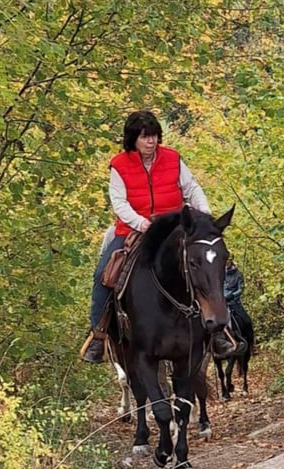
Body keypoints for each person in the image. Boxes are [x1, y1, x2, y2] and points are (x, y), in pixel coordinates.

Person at [82, 110, 245, 363]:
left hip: (176, 227)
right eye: (145, 137)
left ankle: (220, 331)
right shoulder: (119, 165)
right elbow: (119, 203)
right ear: (133, 139)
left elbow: (192, 189)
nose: (151, 142)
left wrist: (206, 219)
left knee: (208, 266)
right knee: (104, 274)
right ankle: (99, 336)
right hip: (134, 229)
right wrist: (143, 223)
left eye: (155, 136)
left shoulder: (173, 159)